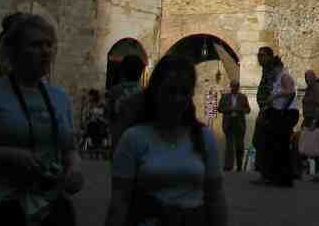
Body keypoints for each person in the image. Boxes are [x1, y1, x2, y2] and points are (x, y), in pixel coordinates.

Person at [0, 13, 82, 226]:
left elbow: (68, 149)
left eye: (49, 44)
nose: (45, 51)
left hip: (47, 208)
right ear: (14, 51)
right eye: (36, 45)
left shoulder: (60, 98)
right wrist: (8, 156)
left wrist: (73, 169)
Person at [105, 54, 228, 226]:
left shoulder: (204, 137)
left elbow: (216, 196)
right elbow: (119, 201)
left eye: (184, 92)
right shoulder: (134, 139)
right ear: (155, 90)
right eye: (171, 90)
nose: (177, 98)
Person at [259, 56, 298, 186]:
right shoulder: (278, 79)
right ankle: (274, 175)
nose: (271, 72)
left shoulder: (284, 76)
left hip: (286, 112)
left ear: (277, 68)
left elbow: (291, 92)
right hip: (278, 112)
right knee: (275, 144)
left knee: (281, 144)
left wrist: (277, 98)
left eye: (272, 69)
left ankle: (283, 177)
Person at [107, 54, 147, 148]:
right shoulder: (145, 93)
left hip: (119, 136)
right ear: (141, 72)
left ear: (123, 71)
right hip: (138, 138)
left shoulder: (115, 91)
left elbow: (110, 115)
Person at [250, 47, 277, 180]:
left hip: (268, 111)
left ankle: (266, 174)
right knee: (259, 141)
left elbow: (273, 92)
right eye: (258, 55)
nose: (259, 58)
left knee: (262, 141)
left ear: (269, 57)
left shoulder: (271, 71)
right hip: (265, 110)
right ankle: (265, 173)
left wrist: (265, 109)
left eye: (262, 55)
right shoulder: (267, 70)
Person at [217, 79, 250, 172]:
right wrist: (229, 109)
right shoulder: (225, 97)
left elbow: (248, 110)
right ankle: (228, 166)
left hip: (239, 123)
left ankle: (239, 165)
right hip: (229, 123)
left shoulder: (243, 97)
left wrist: (239, 109)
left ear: (238, 87)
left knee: (239, 145)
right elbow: (219, 108)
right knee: (229, 145)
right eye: (233, 86)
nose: (234, 88)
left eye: (236, 86)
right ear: (231, 86)